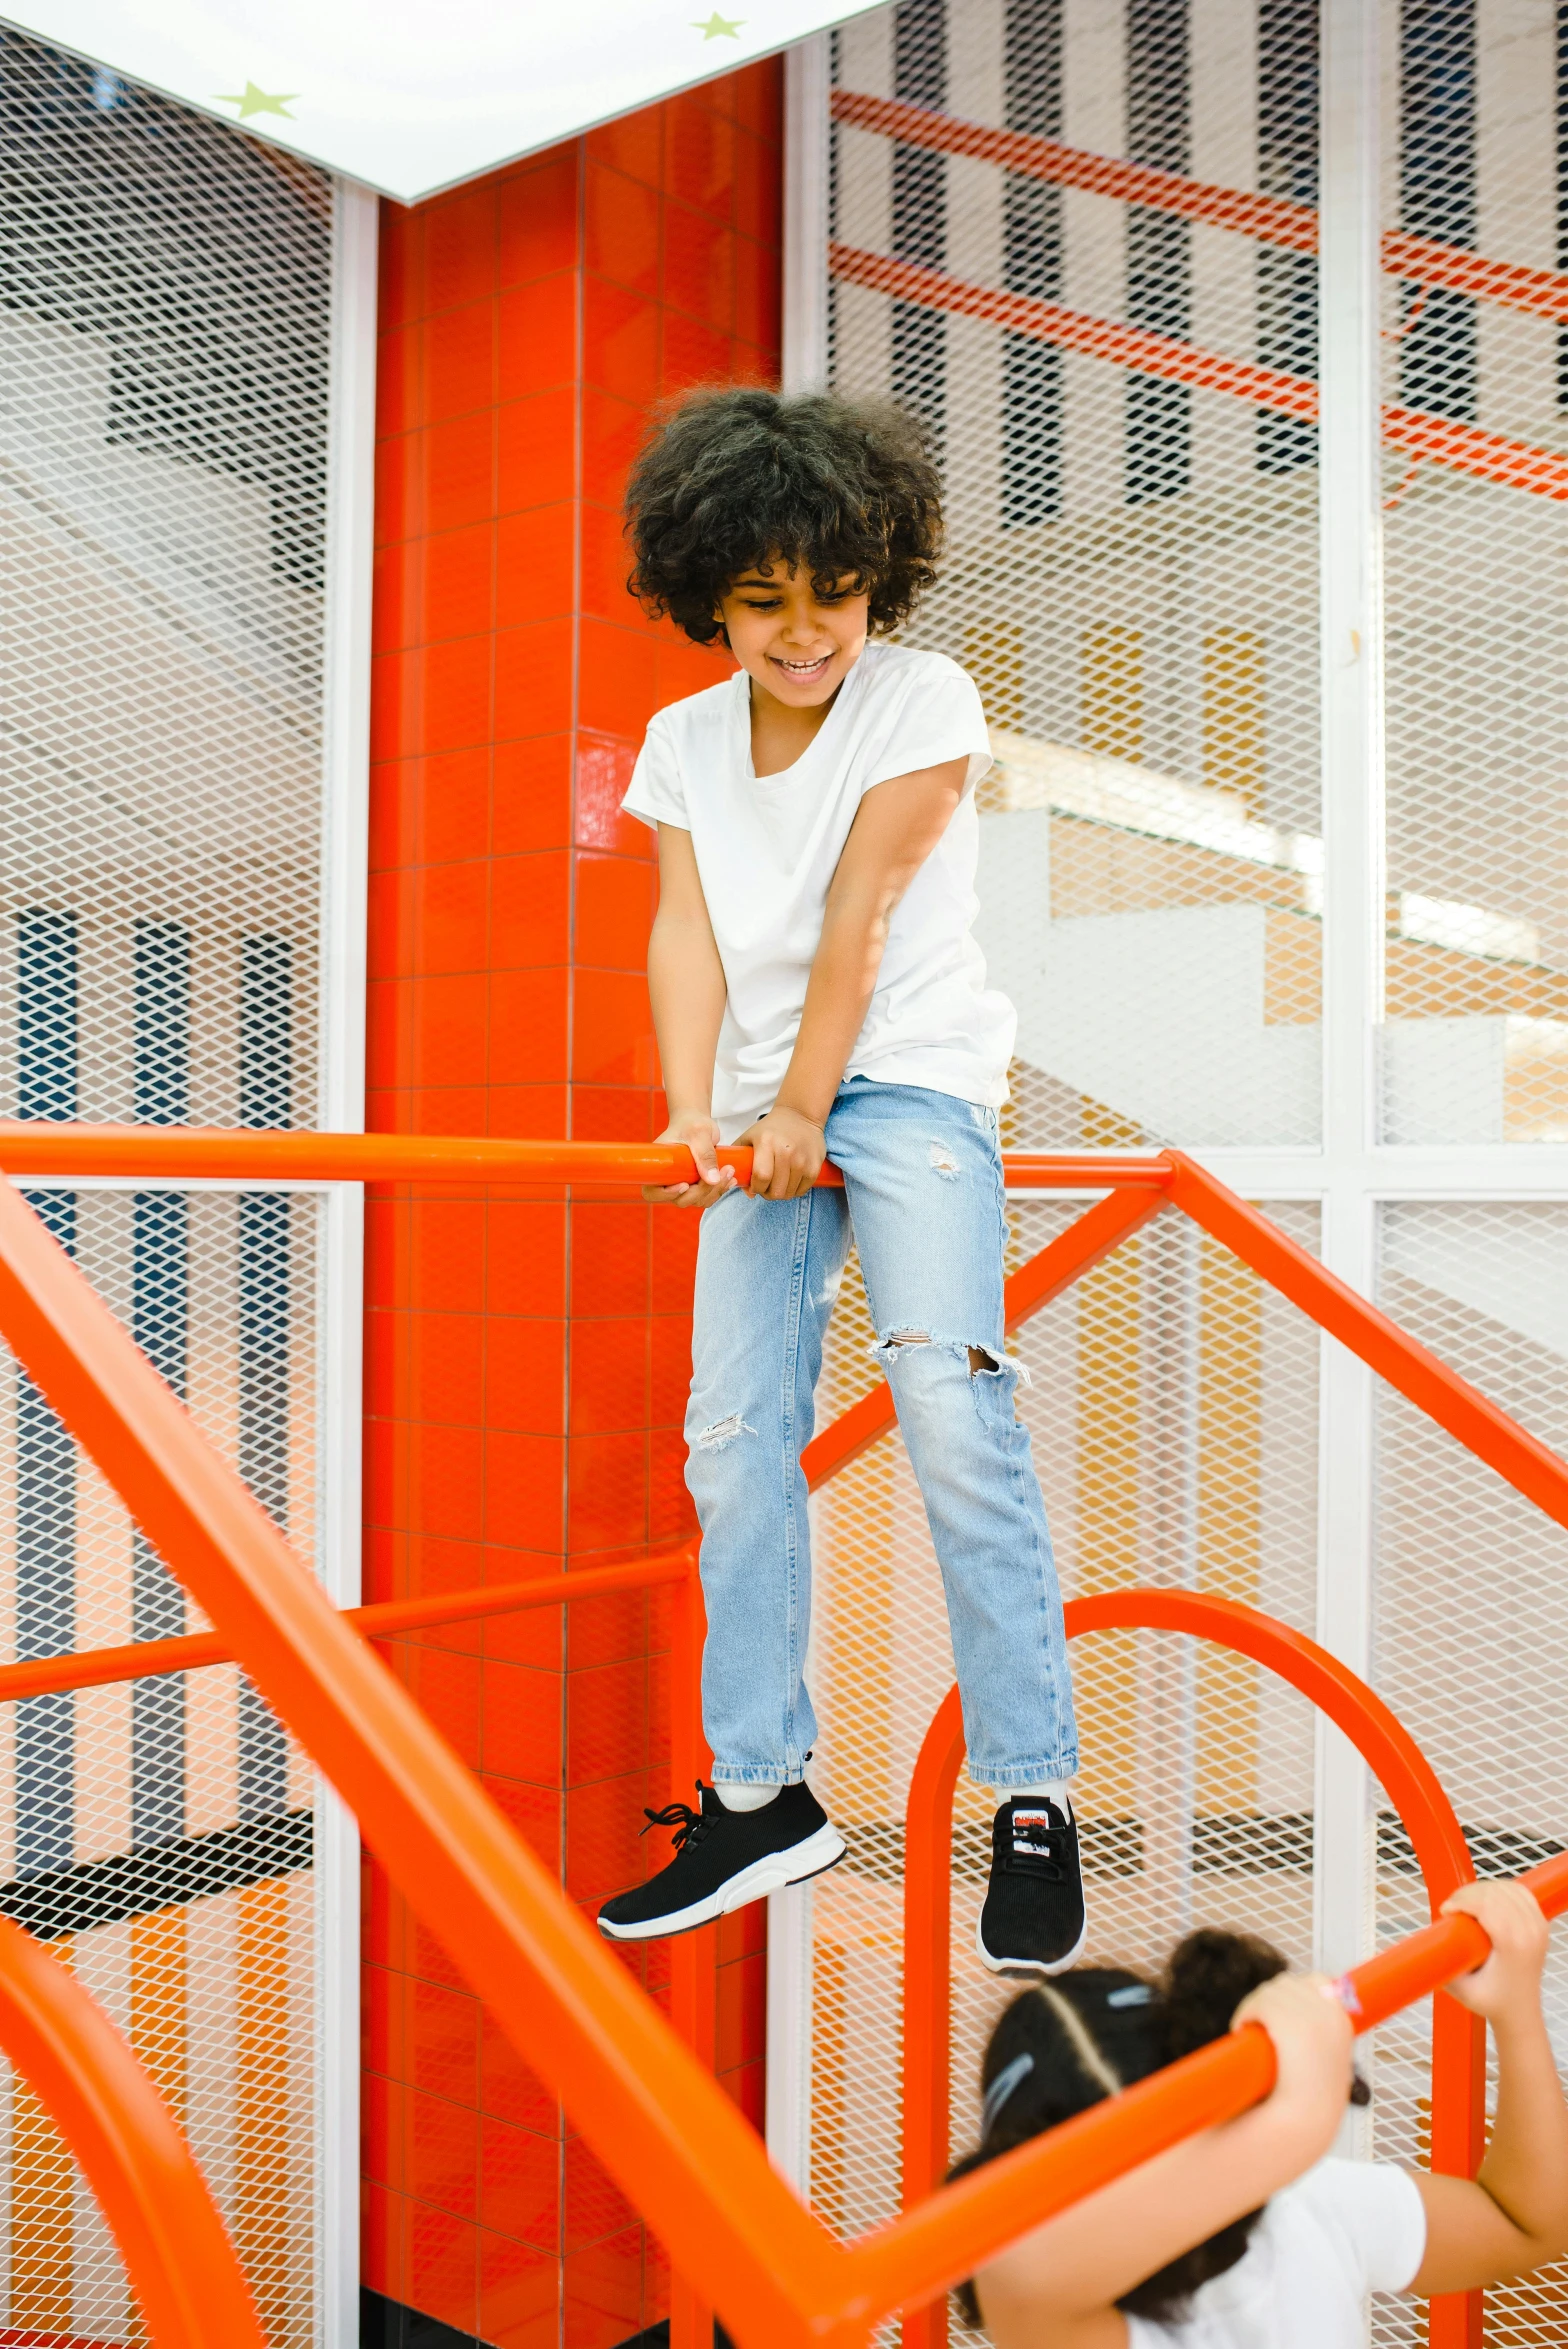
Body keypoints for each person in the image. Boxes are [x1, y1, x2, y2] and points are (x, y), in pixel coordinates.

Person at [594, 387, 1083, 1972]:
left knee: (946, 1389)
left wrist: (804, 1104)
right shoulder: (679, 743)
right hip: (759, 1106)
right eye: (763, 602)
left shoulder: (922, 698)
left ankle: (1028, 1789)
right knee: (731, 1443)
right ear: (707, 601)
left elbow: (863, 918)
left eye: (834, 591)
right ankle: (764, 1793)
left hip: (910, 1076)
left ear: (883, 571)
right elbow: (684, 930)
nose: (805, 632)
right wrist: (691, 1114)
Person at [957, 1879, 1568, 2348]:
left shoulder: (1300, 2201)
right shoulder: (1063, 2318)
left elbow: (1524, 2223)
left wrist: (1514, 2009)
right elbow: (1018, 2272)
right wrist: (1299, 2116)